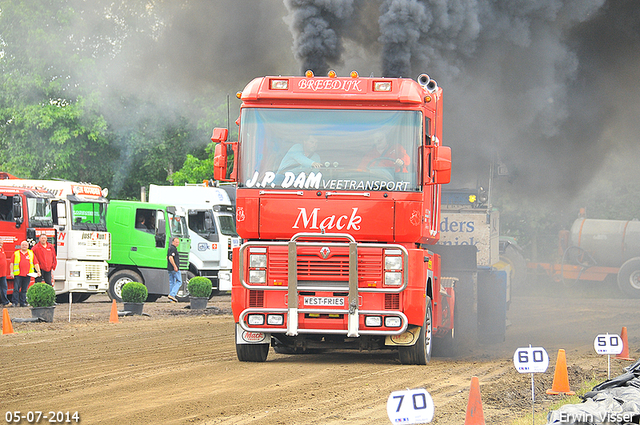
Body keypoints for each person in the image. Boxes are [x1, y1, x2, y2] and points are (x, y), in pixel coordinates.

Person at [11, 240, 41, 307]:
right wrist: (12, 272)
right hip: (18, 274)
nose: (24, 246)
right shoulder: (16, 253)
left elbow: (35, 263)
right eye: (23, 245)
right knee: (16, 289)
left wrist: (38, 271)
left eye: (25, 245)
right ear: (20, 246)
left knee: (24, 290)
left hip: (27, 275)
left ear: (28, 246)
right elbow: (12, 263)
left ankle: (23, 303)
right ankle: (14, 303)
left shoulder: (31, 253)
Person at [167, 237, 181, 303]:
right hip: (174, 269)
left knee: (172, 282)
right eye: (176, 242)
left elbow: (167, 257)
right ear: (173, 242)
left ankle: (171, 299)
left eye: (178, 242)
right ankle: (172, 294)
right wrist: (175, 266)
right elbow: (170, 257)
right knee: (179, 281)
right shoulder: (173, 249)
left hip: (169, 268)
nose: (177, 243)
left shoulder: (169, 248)